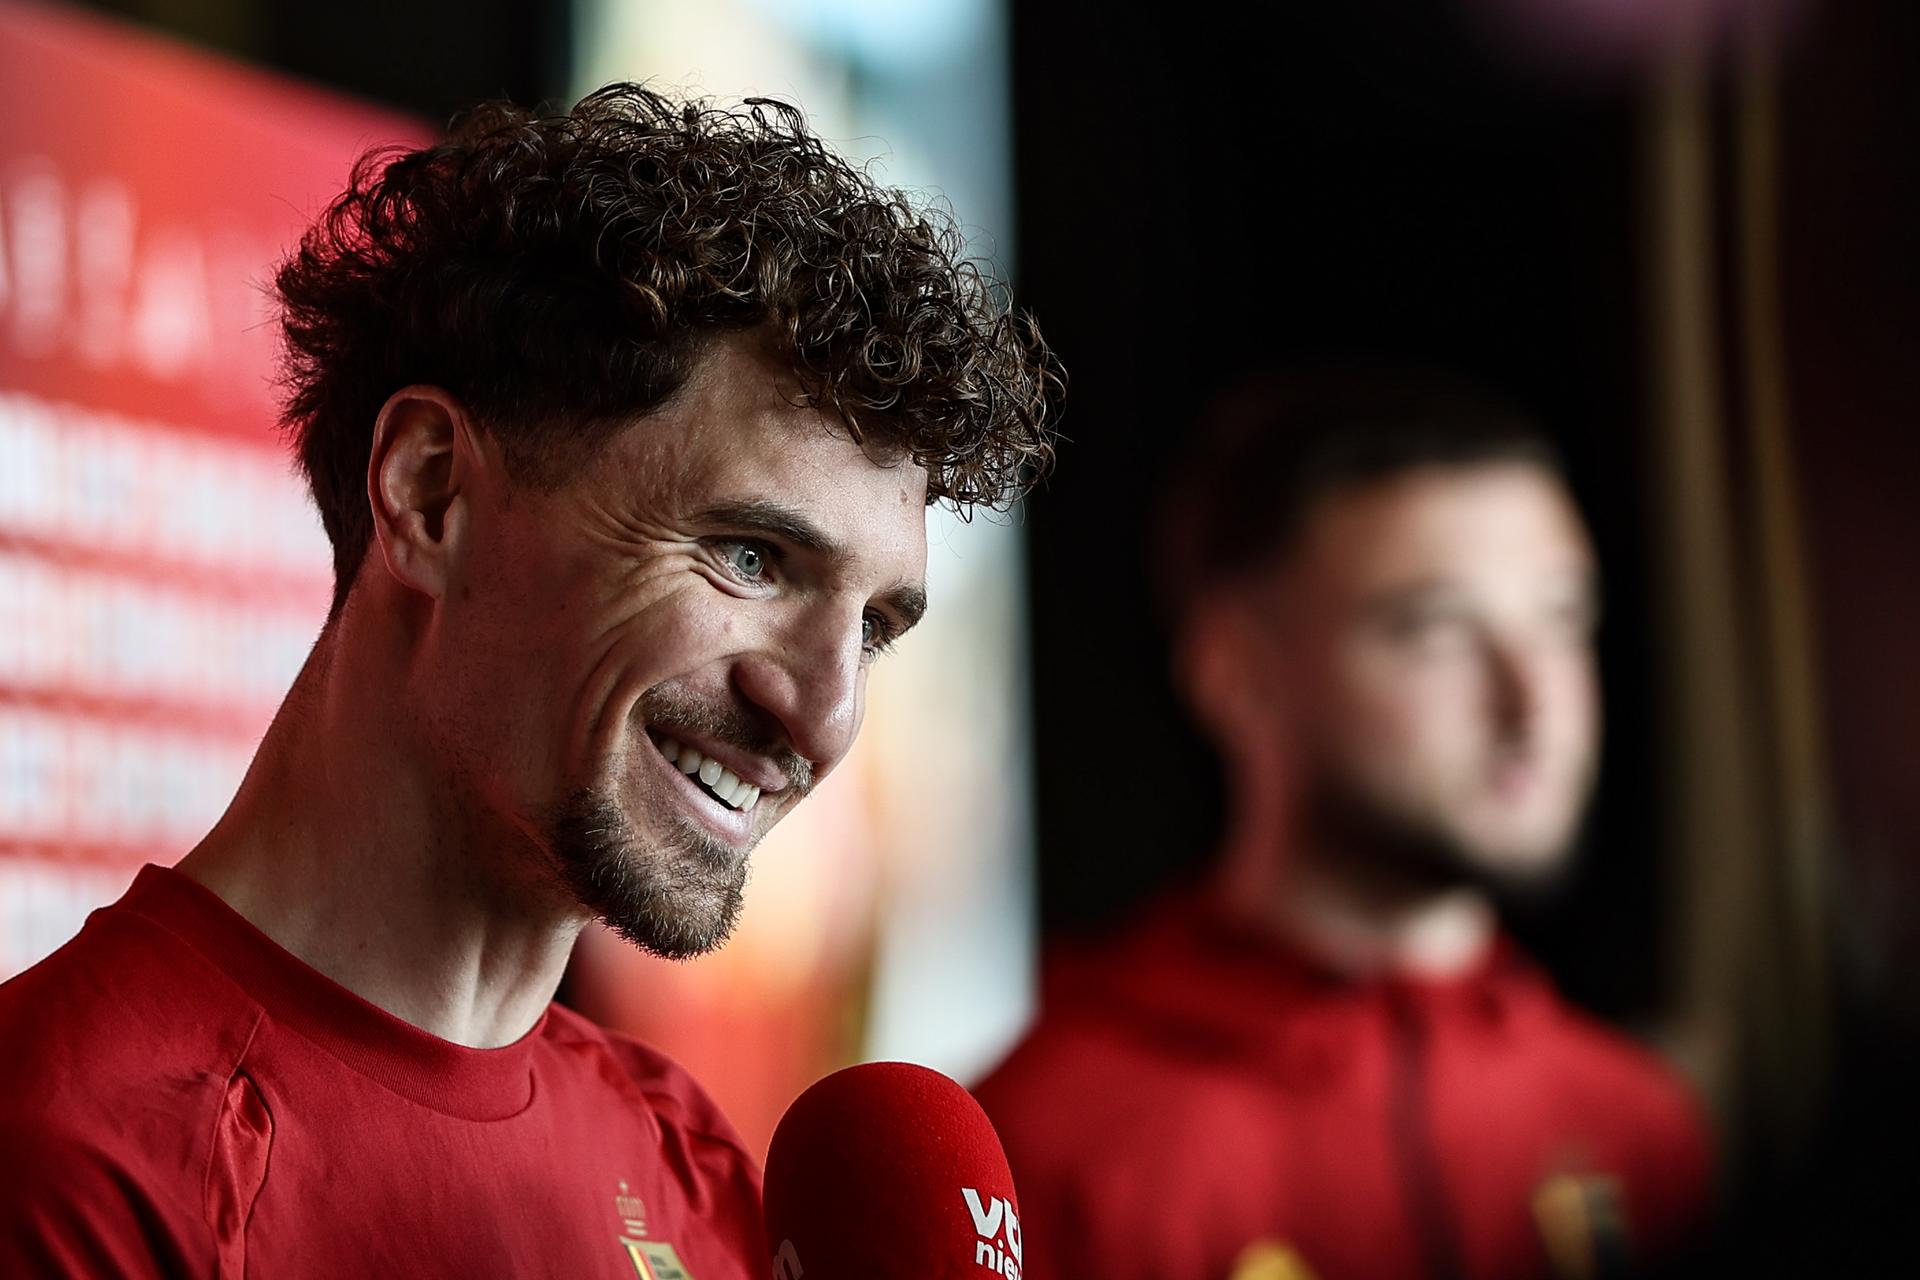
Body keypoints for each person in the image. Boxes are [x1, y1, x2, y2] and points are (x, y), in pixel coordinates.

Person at [0, 84, 1058, 1277]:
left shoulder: (691, 1163)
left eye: (872, 626)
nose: (824, 712)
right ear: (431, 492)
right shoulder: (73, 1159)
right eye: (751, 556)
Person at [974, 369, 1708, 1280]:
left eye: (1561, 621)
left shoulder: (1644, 1129)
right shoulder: (1041, 1151)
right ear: (1238, 675)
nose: (1534, 703)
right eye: (1437, 631)